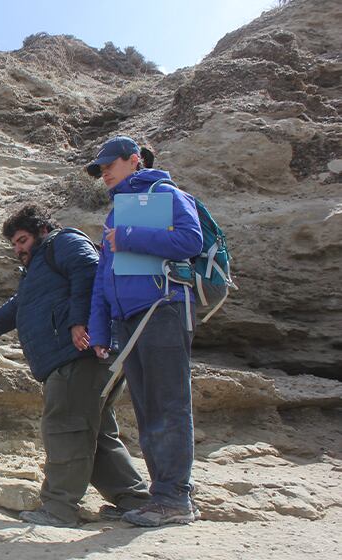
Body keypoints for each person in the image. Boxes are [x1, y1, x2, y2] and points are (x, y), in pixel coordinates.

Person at [0, 204, 150, 528]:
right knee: (95, 434)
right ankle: (134, 500)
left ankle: (58, 509)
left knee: (65, 429)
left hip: (78, 355)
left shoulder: (65, 242)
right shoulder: (37, 271)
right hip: (81, 358)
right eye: (14, 244)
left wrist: (77, 322)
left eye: (22, 240)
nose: (18, 249)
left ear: (42, 230)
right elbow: (15, 309)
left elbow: (90, 272)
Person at [86, 136, 203, 527]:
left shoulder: (162, 192)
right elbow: (105, 276)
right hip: (129, 319)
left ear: (134, 160)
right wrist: (100, 330)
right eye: (99, 167)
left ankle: (174, 499)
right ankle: (165, 495)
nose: (103, 171)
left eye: (109, 164)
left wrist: (131, 237)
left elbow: (191, 239)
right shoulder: (118, 212)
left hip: (163, 310)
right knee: (148, 409)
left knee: (168, 405)